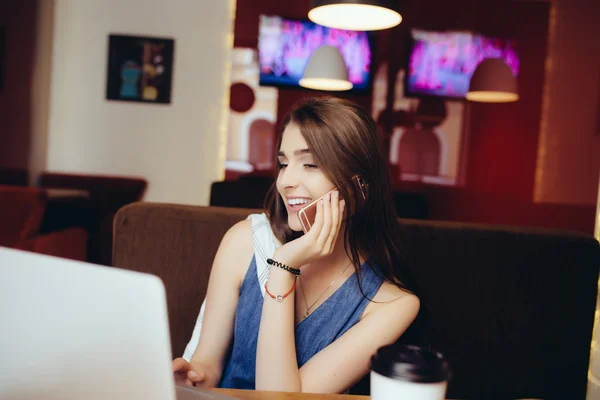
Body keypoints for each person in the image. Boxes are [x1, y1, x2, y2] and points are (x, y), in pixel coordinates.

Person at [172, 97, 420, 394]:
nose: (285, 181)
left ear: (357, 187)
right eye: (283, 163)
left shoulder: (392, 306)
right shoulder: (243, 241)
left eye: (310, 164)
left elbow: (281, 396)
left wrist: (284, 267)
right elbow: (207, 364)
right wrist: (192, 379)